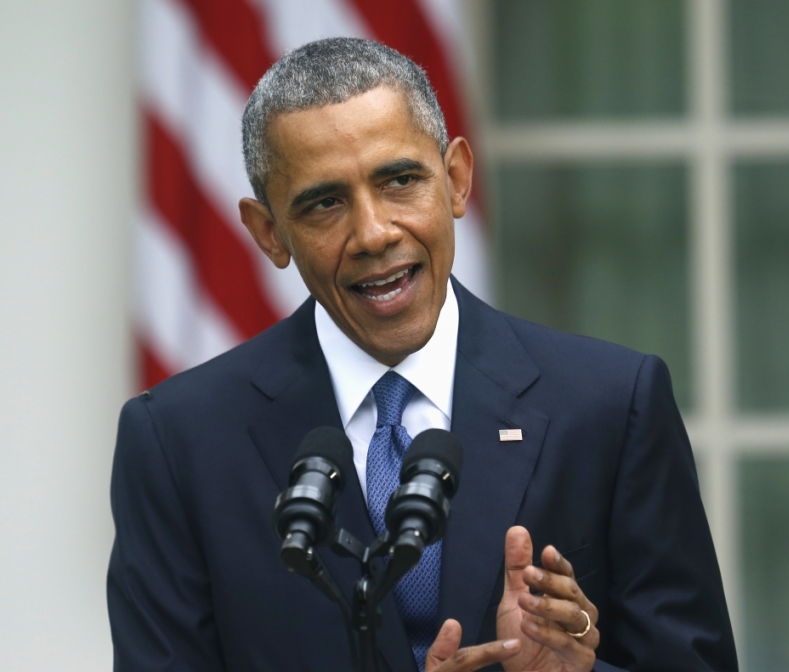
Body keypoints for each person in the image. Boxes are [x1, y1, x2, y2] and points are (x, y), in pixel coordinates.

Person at [108, 38, 737, 672]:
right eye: (325, 203)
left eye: (400, 181)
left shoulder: (609, 404)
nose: (374, 233)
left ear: (457, 179)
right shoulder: (178, 441)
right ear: (269, 233)